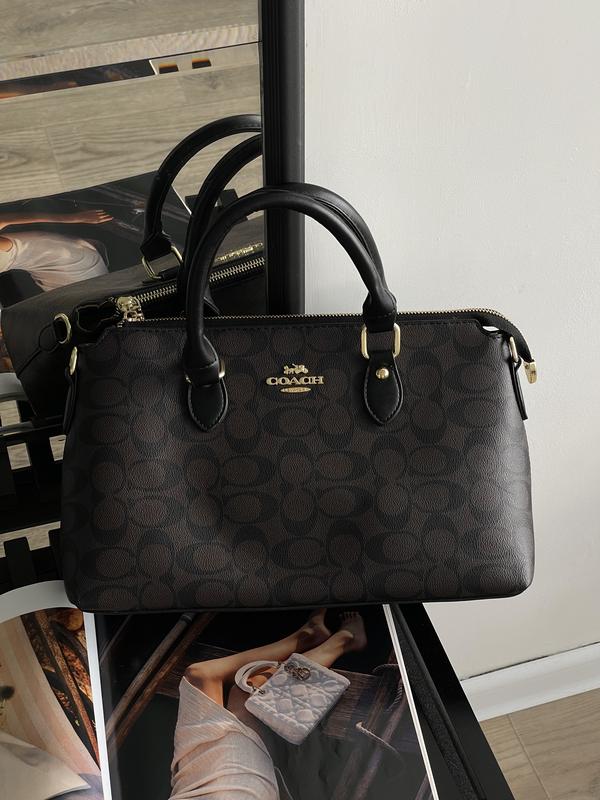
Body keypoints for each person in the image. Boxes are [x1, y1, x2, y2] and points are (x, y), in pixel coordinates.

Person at [170, 610, 367, 800]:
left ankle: (314, 637)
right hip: (234, 790)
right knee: (238, 691)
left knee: (208, 679)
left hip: (190, 788)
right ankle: (335, 640)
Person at [0, 209, 113, 291]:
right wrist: (72, 218)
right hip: (79, 268)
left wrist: (73, 218)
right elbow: (4, 220)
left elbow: (4, 220)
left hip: (80, 265)